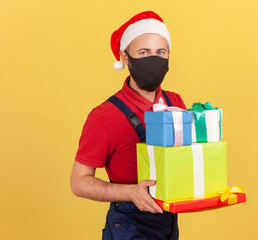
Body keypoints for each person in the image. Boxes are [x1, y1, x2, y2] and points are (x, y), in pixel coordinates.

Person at [70, 10, 186, 240]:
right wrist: (130, 192)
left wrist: (213, 182)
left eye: (160, 52)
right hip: (129, 226)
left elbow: (185, 159)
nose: (154, 59)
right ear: (125, 57)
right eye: (144, 52)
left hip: (169, 223)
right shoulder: (104, 116)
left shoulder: (176, 103)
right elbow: (78, 182)